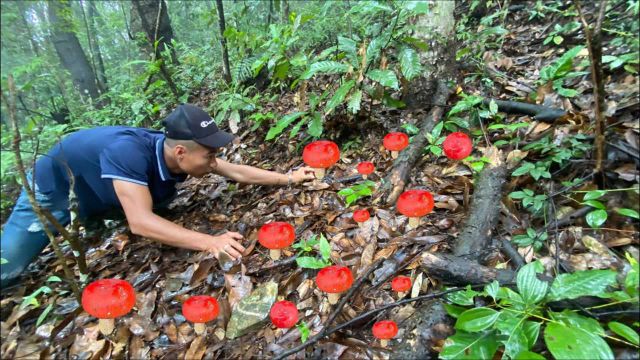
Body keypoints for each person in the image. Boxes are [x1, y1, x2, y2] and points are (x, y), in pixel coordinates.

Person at [0, 104, 315, 289]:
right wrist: (211, 241)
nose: (215, 160)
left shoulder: (177, 152)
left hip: (101, 189)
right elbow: (140, 223)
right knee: (9, 263)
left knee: (155, 199)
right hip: (53, 187)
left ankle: (93, 220)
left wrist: (289, 177)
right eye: (210, 154)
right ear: (181, 151)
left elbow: (236, 172)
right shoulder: (129, 154)